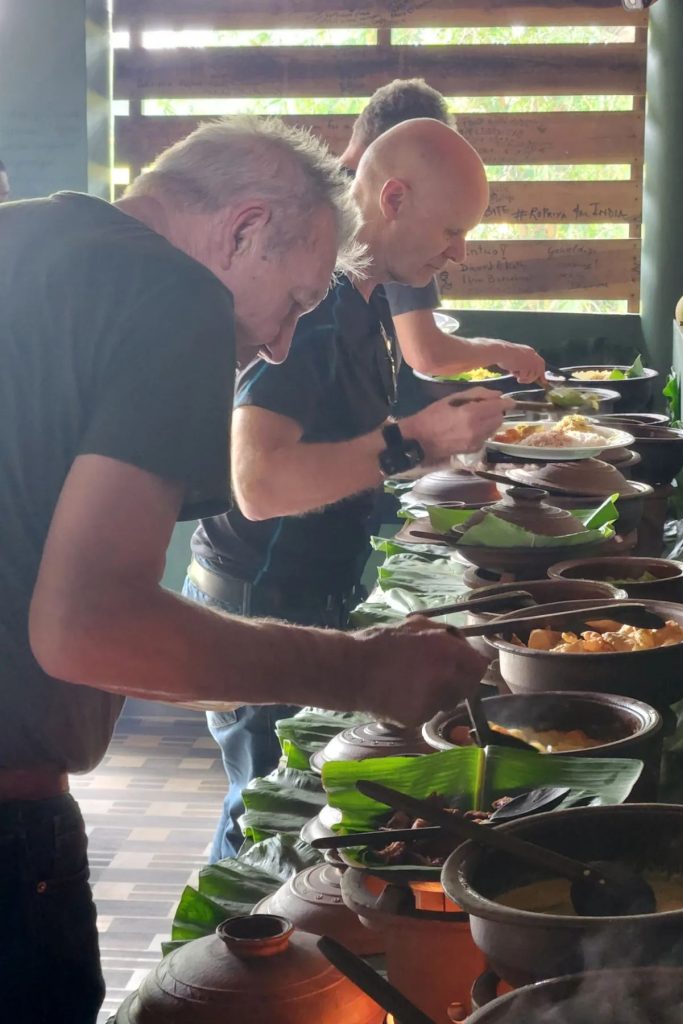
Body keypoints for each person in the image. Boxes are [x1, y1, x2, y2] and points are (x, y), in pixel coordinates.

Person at [0, 117, 488, 1024]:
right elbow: (89, 627)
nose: (275, 347)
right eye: (298, 302)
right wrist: (365, 670)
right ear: (242, 228)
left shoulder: (22, 233)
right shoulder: (172, 291)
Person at [188, 118, 513, 861]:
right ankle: (212, 970)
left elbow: (346, 449)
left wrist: (439, 458)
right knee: (264, 823)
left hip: (309, 592)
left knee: (276, 809)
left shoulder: (367, 300)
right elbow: (258, 482)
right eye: (451, 230)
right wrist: (418, 439)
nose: (457, 254)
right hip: (258, 598)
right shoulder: (315, 304)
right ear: (392, 197)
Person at [339, 79, 547, 385]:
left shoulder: (329, 209)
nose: (458, 254)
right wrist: (504, 352)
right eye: (450, 231)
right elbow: (426, 353)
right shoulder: (377, 237)